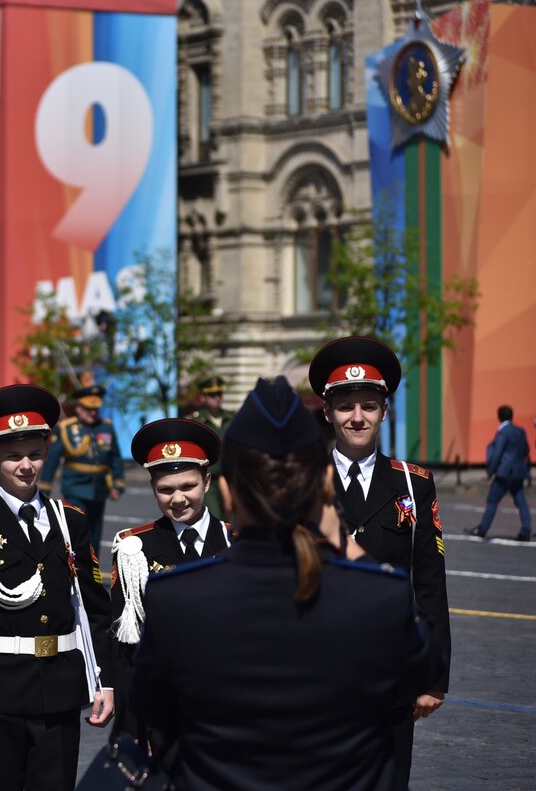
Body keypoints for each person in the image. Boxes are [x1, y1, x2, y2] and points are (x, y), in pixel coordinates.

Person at [133, 376, 445, 791]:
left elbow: (150, 716)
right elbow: (421, 671)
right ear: (325, 488)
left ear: (225, 493)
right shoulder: (379, 597)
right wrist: (349, 549)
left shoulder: (174, 597)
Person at [0, 385, 114, 791]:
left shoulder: (70, 519)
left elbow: (94, 608)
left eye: (35, 455)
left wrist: (104, 680)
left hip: (60, 690)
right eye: (14, 456)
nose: (26, 466)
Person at [309, 336, 451, 786]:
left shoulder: (413, 485)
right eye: (346, 406)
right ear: (328, 412)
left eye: (369, 406)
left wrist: (433, 676)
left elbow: (428, 585)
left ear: (384, 412)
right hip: (315, 675)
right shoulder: (302, 483)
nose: (357, 417)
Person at [107, 418, 226, 752]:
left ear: (206, 481)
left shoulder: (238, 541)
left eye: (187, 486)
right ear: (152, 488)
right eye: (166, 489)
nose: (178, 499)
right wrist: (133, 727)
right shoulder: (134, 549)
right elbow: (125, 645)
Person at [39, 385, 125, 556]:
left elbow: (115, 457)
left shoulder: (106, 427)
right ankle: (77, 569)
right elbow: (52, 460)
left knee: (96, 532)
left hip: (99, 489)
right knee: (78, 529)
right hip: (76, 487)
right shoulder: (67, 429)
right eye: (88, 409)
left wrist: (117, 484)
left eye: (95, 409)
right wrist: (45, 488)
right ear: (78, 408)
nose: (92, 413)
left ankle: (93, 570)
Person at [466, 405, 531, 541]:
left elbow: (497, 453)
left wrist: (490, 472)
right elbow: (526, 450)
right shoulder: (521, 431)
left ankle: (482, 529)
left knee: (492, 501)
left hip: (504, 473)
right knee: (521, 501)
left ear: (499, 417)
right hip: (518, 472)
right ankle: (526, 530)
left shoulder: (502, 432)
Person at [187, 376, 233, 518]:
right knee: (214, 516)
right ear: (204, 397)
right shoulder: (196, 421)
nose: (217, 398)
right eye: (212, 395)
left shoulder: (231, 419)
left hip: (230, 477)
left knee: (232, 520)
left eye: (219, 394)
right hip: (209, 478)